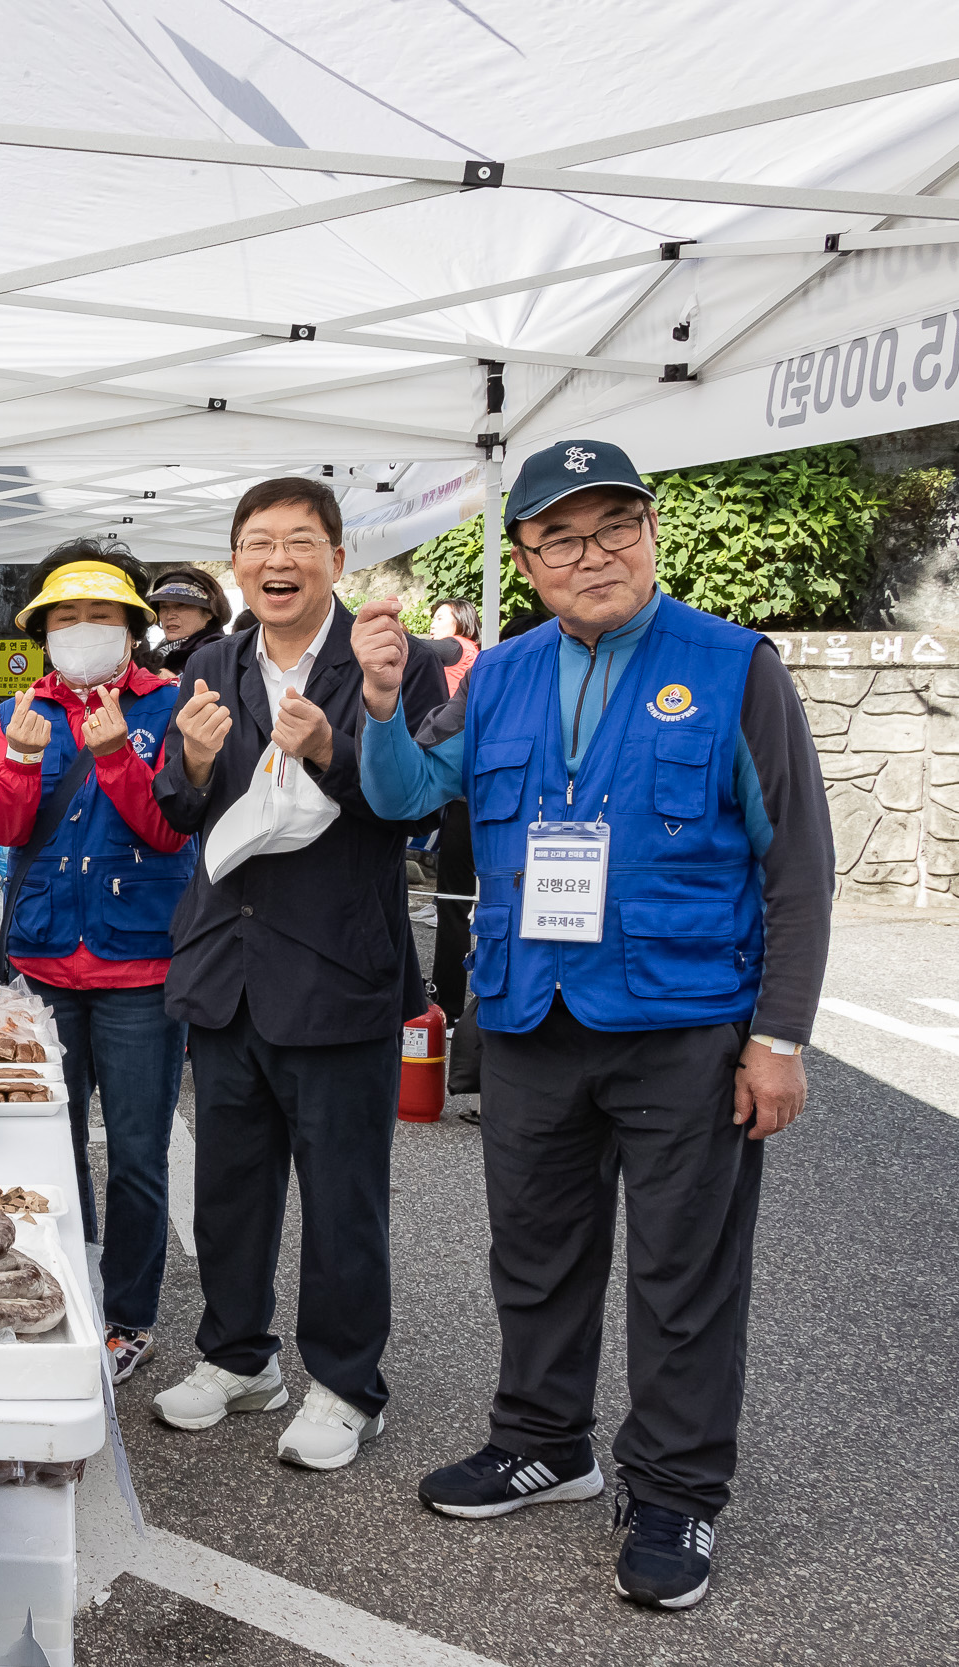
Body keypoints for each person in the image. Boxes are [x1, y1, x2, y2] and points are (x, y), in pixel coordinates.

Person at [356, 438, 831, 1611]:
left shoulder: (732, 668)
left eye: (612, 526)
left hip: (685, 1022)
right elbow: (407, 796)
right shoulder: (500, 672)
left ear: (650, 533)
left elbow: (799, 866)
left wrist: (779, 1035)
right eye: (559, 537)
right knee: (533, 1254)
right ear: (523, 560)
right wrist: (377, 706)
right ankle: (543, 1441)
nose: (590, 554)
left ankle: (674, 1490)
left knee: (685, 1273)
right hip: (530, 1015)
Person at [146, 476, 448, 1471]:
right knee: (229, 1187)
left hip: (337, 970)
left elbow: (413, 811)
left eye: (299, 542)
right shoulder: (210, 658)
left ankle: (347, 1382)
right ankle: (238, 1357)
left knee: (341, 1192)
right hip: (225, 969)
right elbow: (177, 814)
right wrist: (187, 766)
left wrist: (330, 752)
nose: (277, 560)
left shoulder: (394, 659)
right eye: (258, 542)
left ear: (336, 558)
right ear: (234, 560)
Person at [0, 542, 195, 1385]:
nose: (83, 631)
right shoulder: (17, 711)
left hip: (140, 964)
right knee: (46, 1147)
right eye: (65, 618)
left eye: (102, 616)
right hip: (42, 959)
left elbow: (172, 829)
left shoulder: (171, 706)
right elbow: (2, 827)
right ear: (41, 632)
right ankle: (60, 1284)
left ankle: (129, 1312)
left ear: (134, 630)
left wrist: (113, 755)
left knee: (138, 1152)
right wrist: (24, 760)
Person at [420, 596, 482, 1023]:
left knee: (454, 899)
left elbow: (422, 648)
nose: (434, 624)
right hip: (472, 792)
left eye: (441, 617)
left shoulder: (461, 649)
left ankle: (448, 998)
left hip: (465, 793)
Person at [147, 567, 232, 674]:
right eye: (163, 607)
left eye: (181, 605)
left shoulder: (220, 656)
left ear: (209, 612)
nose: (169, 615)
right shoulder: (164, 652)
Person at [424, 596, 482, 696]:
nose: (432, 625)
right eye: (433, 620)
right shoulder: (471, 648)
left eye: (440, 619)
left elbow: (415, 646)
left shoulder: (454, 646)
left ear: (460, 620)